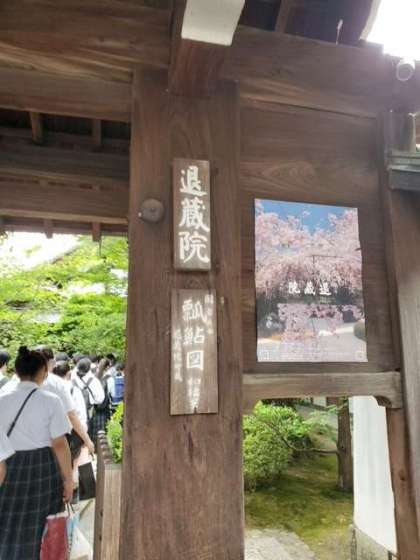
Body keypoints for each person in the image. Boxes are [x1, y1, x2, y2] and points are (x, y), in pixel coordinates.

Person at [0, 346, 73, 560]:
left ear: (17, 371)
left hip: (7, 465)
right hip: (43, 468)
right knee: (41, 523)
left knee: (7, 520)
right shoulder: (51, 400)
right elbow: (59, 444)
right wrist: (68, 479)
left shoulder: (1, 399)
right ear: (43, 372)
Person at [35, 346, 95, 456]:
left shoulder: (17, 381)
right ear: (51, 362)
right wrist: (87, 440)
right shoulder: (56, 383)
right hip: (54, 440)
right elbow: (71, 415)